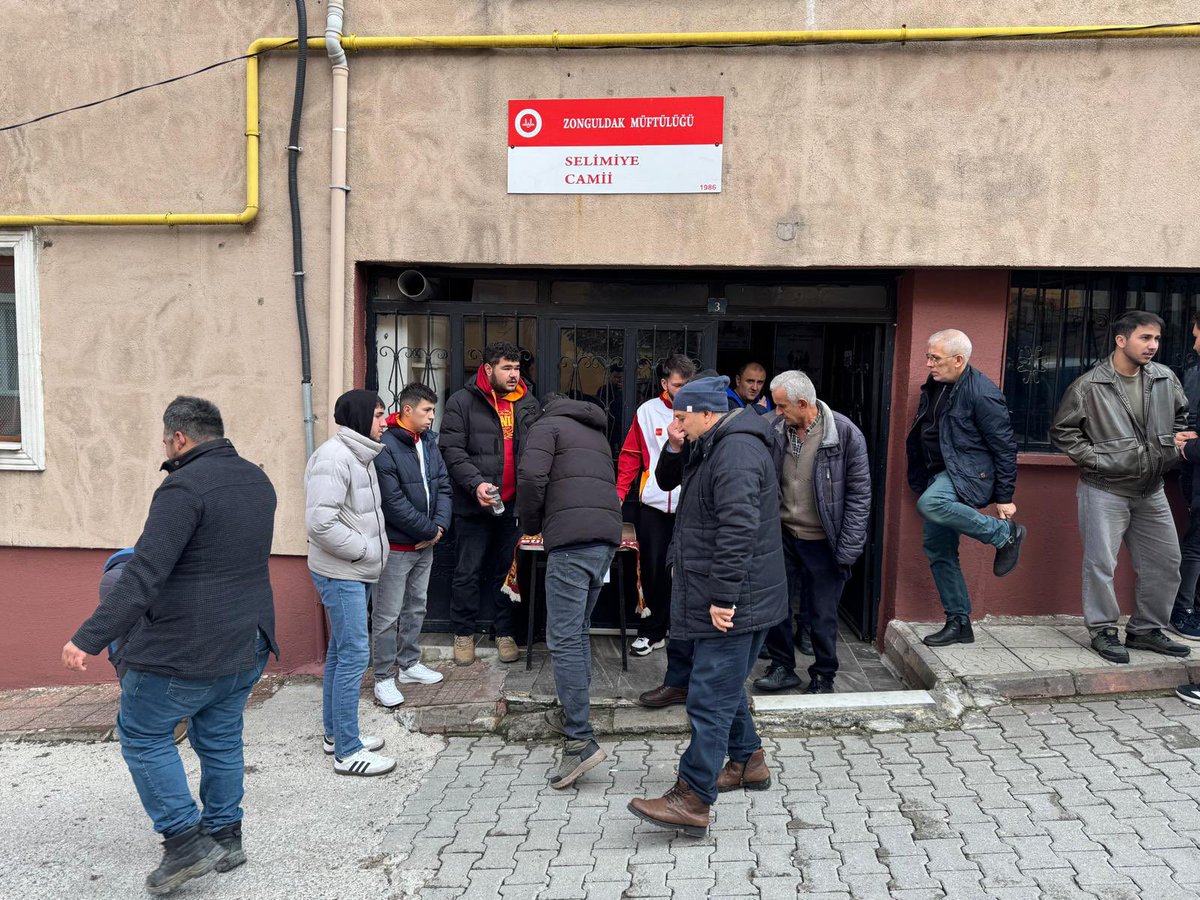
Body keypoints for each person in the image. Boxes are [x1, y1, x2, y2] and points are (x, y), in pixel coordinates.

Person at [62, 396, 277, 894]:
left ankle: (184, 844)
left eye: (165, 440)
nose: (166, 447)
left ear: (178, 438)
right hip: (249, 641)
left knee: (141, 732)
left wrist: (88, 637)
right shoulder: (256, 479)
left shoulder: (182, 487)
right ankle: (225, 837)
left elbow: (143, 574)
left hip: (187, 649)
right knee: (220, 737)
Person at [627, 376, 787, 837]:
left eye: (681, 416)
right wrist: (675, 447)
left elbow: (738, 529)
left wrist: (723, 598)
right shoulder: (712, 441)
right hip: (724, 591)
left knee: (708, 696)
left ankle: (692, 799)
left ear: (706, 413)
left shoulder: (735, 451)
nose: (675, 423)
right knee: (721, 681)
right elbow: (665, 481)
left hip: (736, 598)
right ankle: (748, 761)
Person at [1051, 310, 1191, 664]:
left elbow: (1181, 416)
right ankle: (1102, 630)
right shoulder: (1089, 385)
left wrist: (1171, 443)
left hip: (1152, 488)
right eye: (1145, 338)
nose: (1153, 346)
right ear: (1121, 340)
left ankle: (1146, 630)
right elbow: (1064, 432)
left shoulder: (1164, 378)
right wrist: (1098, 460)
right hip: (1104, 488)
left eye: (1156, 339)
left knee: (1166, 561)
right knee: (1101, 563)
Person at [517, 394, 623, 789]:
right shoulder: (592, 430)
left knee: (561, 638)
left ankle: (579, 739)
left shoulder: (546, 427)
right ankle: (574, 713)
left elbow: (531, 478)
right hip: (604, 540)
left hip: (572, 543)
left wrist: (530, 523)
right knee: (577, 632)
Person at [905, 329, 1024, 647]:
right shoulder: (936, 385)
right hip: (936, 474)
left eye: (935, 358)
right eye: (928, 356)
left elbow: (1004, 447)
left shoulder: (982, 393)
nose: (929, 363)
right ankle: (959, 622)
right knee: (938, 549)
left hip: (965, 475)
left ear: (959, 360)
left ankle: (1005, 535)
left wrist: (1005, 497)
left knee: (931, 504)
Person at [755, 371, 871, 694]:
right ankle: (782, 666)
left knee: (822, 613)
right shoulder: (774, 428)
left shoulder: (846, 434)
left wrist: (847, 550)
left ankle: (823, 675)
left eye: (781, 406)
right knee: (776, 606)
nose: (776, 412)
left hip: (824, 542)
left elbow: (860, 497)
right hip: (782, 535)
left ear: (803, 403)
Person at [305, 390, 395, 776]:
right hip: (342, 571)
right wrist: (362, 551)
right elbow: (320, 523)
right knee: (355, 655)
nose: (384, 422)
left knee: (343, 654)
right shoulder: (335, 458)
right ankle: (347, 750)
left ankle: (335, 734)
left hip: (356, 570)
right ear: (360, 417)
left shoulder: (361, 454)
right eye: (378, 415)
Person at [441, 341, 540, 665]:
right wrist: (476, 484)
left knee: (507, 572)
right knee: (467, 571)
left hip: (513, 507)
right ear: (487, 369)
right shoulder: (462, 402)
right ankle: (463, 633)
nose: (514, 375)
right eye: (506, 368)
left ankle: (506, 632)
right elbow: (452, 450)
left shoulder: (527, 402)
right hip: (474, 506)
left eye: (516, 368)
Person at [371, 382, 453, 708]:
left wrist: (439, 527)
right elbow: (392, 502)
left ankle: (409, 665)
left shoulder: (429, 442)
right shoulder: (386, 446)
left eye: (433, 410)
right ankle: (382, 678)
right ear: (407, 410)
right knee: (387, 615)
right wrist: (429, 529)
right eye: (427, 410)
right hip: (396, 547)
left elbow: (443, 484)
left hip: (426, 545)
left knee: (416, 606)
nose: (432, 416)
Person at [616, 353, 697, 658]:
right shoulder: (647, 411)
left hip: (690, 506)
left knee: (688, 571)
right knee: (652, 570)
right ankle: (653, 632)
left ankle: (685, 633)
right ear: (665, 383)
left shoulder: (701, 413)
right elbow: (630, 456)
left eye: (688, 384)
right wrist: (619, 493)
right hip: (652, 506)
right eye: (678, 384)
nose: (683, 390)